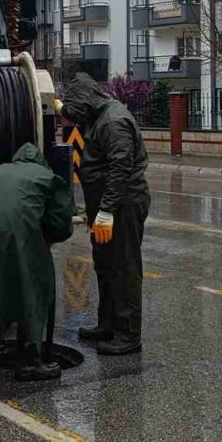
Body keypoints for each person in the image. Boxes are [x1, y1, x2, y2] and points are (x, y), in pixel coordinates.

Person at [0, 143, 75, 381]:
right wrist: (45, 237)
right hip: (18, 235)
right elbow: (61, 224)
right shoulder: (47, 177)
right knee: (33, 290)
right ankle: (29, 363)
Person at [60, 72, 150, 356]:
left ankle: (128, 335)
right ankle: (108, 324)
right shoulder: (98, 116)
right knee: (105, 265)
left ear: (87, 102)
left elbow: (120, 169)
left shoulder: (113, 121)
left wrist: (107, 210)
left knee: (124, 267)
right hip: (105, 207)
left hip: (122, 206)